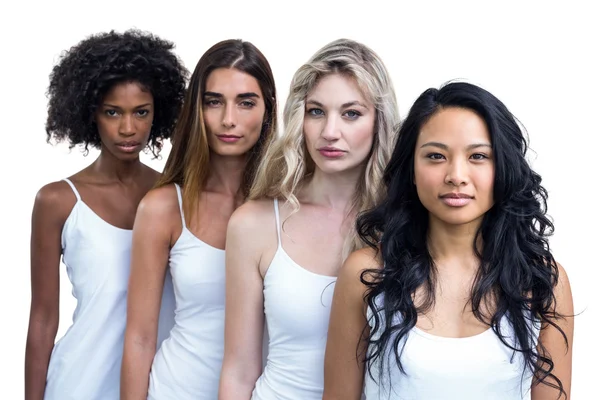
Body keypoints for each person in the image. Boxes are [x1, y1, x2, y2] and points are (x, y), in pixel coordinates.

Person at [323, 81, 574, 399]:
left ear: (504, 168)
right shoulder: (366, 274)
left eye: (478, 156)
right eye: (436, 156)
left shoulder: (543, 282)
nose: (456, 175)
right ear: (412, 169)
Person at [219, 38, 400, 400]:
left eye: (351, 113)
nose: (329, 132)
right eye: (316, 111)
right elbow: (239, 371)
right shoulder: (254, 224)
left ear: (379, 121)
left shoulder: (405, 224)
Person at [24, 29, 187, 400]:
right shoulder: (58, 201)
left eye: (141, 112)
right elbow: (43, 318)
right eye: (112, 112)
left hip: (160, 387)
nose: (128, 128)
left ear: (157, 114)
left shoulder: (177, 196)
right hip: (77, 384)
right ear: (90, 113)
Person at [120, 39, 278, 400]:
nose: (228, 120)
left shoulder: (288, 206)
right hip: (177, 387)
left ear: (268, 109)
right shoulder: (163, 207)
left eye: (246, 103)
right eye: (213, 102)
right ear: (197, 109)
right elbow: (140, 338)